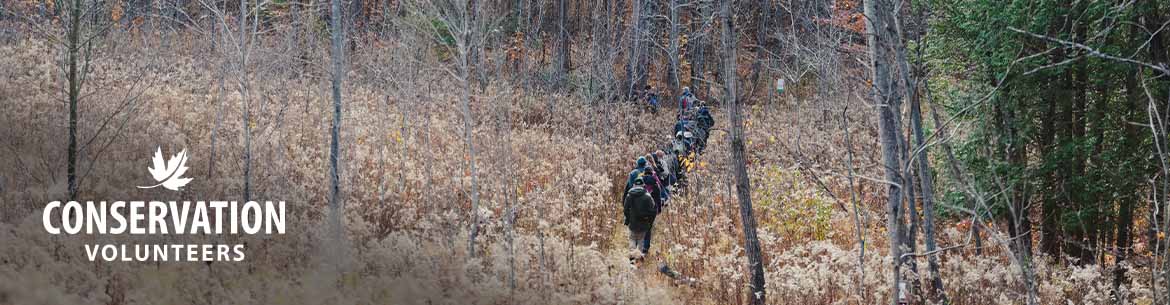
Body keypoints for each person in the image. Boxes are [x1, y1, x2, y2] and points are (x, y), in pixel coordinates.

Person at [623, 176, 658, 261]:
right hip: (644, 222)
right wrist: (650, 221)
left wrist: (627, 219)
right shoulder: (648, 196)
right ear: (643, 185)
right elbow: (653, 210)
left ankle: (632, 257)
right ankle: (638, 257)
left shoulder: (629, 195)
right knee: (641, 240)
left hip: (633, 222)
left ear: (634, 185)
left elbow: (625, 209)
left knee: (632, 238)